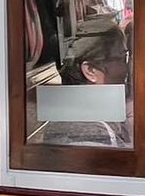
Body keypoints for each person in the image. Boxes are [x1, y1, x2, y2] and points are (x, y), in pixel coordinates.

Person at [41, 16, 132, 147]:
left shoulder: (99, 112)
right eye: (121, 58)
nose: (126, 67)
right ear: (90, 70)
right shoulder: (85, 130)